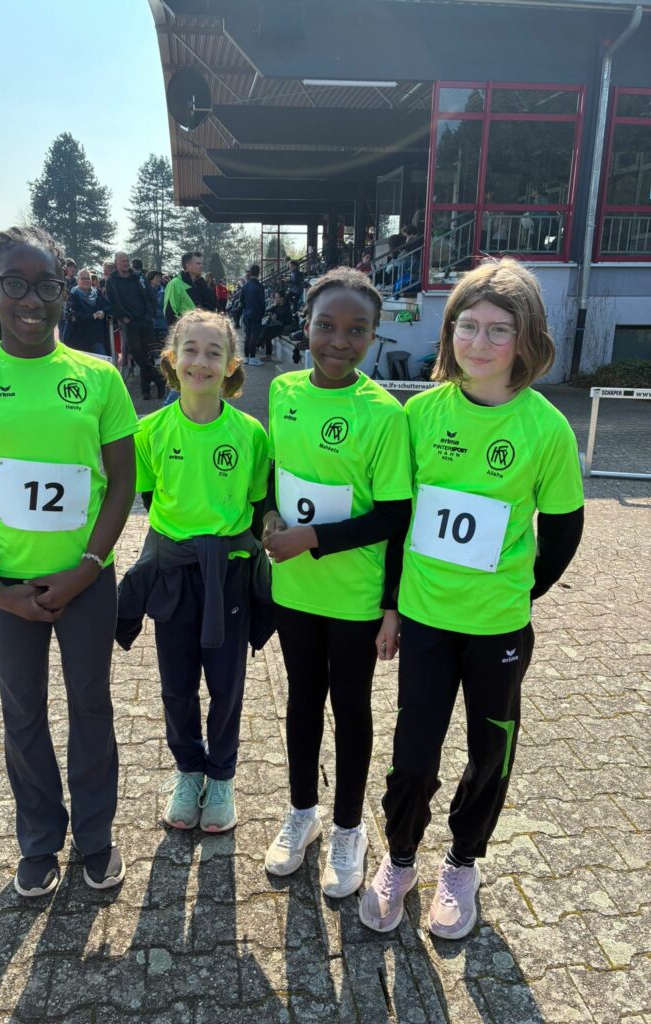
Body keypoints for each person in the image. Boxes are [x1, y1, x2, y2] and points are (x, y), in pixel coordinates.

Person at [359, 259, 584, 939]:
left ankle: (463, 862)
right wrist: (393, 605)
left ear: (526, 339)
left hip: (498, 627)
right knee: (413, 755)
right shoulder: (419, 415)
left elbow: (564, 531)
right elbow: (399, 520)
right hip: (426, 620)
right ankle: (400, 859)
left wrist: (519, 589)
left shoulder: (547, 428)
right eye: (467, 326)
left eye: (498, 330)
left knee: (491, 752)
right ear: (449, 330)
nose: (478, 343)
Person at [0, 225, 138, 898]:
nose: (31, 300)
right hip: (7, 589)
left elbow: (122, 484)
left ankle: (96, 838)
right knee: (23, 713)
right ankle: (39, 840)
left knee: (91, 706)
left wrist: (88, 567)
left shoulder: (98, 378)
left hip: (86, 581)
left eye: (47, 285)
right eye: (14, 284)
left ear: (64, 289)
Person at [262, 267, 413, 899]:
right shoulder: (283, 391)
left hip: (353, 598)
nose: (338, 341)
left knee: (351, 709)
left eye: (357, 330)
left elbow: (393, 516)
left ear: (374, 336)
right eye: (326, 325)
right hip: (295, 591)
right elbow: (275, 473)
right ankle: (303, 812)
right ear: (306, 325)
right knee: (302, 701)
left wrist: (315, 540)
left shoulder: (384, 414)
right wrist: (268, 517)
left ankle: (349, 827)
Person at [114, 309, 272, 833]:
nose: (200, 362)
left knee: (226, 684)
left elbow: (255, 506)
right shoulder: (150, 430)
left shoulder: (250, 434)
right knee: (177, 685)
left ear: (232, 365)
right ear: (171, 358)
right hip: (174, 574)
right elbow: (149, 498)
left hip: (228, 575)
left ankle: (221, 776)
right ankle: (188, 770)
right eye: (191, 350)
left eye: (213, 352)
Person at [106, 251, 165, 401]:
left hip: (145, 321)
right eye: (122, 261)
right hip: (129, 323)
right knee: (138, 356)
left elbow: (151, 295)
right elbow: (111, 302)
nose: (125, 263)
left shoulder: (138, 276)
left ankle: (146, 391)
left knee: (149, 355)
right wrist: (123, 317)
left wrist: (150, 314)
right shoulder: (111, 281)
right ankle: (159, 379)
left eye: (127, 260)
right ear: (116, 263)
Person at [62, 268, 111, 356]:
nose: (86, 280)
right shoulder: (73, 294)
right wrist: (93, 316)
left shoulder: (97, 292)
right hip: (78, 339)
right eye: (83, 278)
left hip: (96, 337)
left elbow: (108, 306)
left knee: (102, 359)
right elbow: (73, 315)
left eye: (88, 278)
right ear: (78, 281)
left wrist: (103, 312)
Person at [163, 251, 215, 327]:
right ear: (188, 265)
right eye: (198, 263)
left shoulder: (201, 283)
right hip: (186, 330)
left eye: (202, 263)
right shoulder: (175, 283)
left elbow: (211, 306)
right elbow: (170, 312)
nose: (201, 266)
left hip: (203, 329)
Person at [240, 263, 266, 366]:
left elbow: (241, 300)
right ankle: (252, 357)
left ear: (250, 273)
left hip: (247, 312)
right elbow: (262, 302)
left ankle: (246, 357)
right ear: (258, 273)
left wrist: (246, 307)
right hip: (256, 313)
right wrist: (262, 312)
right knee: (254, 336)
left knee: (247, 335)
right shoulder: (260, 286)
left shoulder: (245, 286)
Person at [258, 290, 293, 360]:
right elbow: (267, 311)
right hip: (275, 325)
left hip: (283, 327)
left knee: (266, 330)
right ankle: (267, 354)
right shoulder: (277, 306)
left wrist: (277, 318)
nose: (276, 299)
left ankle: (258, 344)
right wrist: (273, 305)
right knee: (266, 331)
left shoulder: (286, 307)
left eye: (277, 297)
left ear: (282, 298)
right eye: (275, 297)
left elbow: (288, 321)